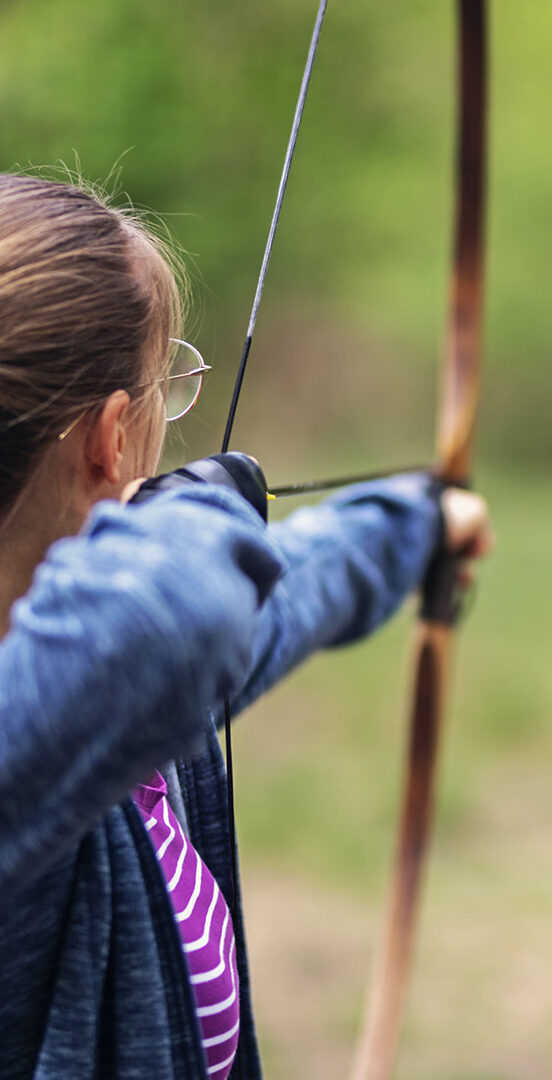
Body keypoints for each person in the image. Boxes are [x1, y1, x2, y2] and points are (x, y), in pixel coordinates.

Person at [0, 173, 492, 1080]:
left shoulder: (120, 691)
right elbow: (175, 615)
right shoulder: (56, 700)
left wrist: (409, 524)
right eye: (166, 388)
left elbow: (255, 614)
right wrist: (202, 508)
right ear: (110, 438)